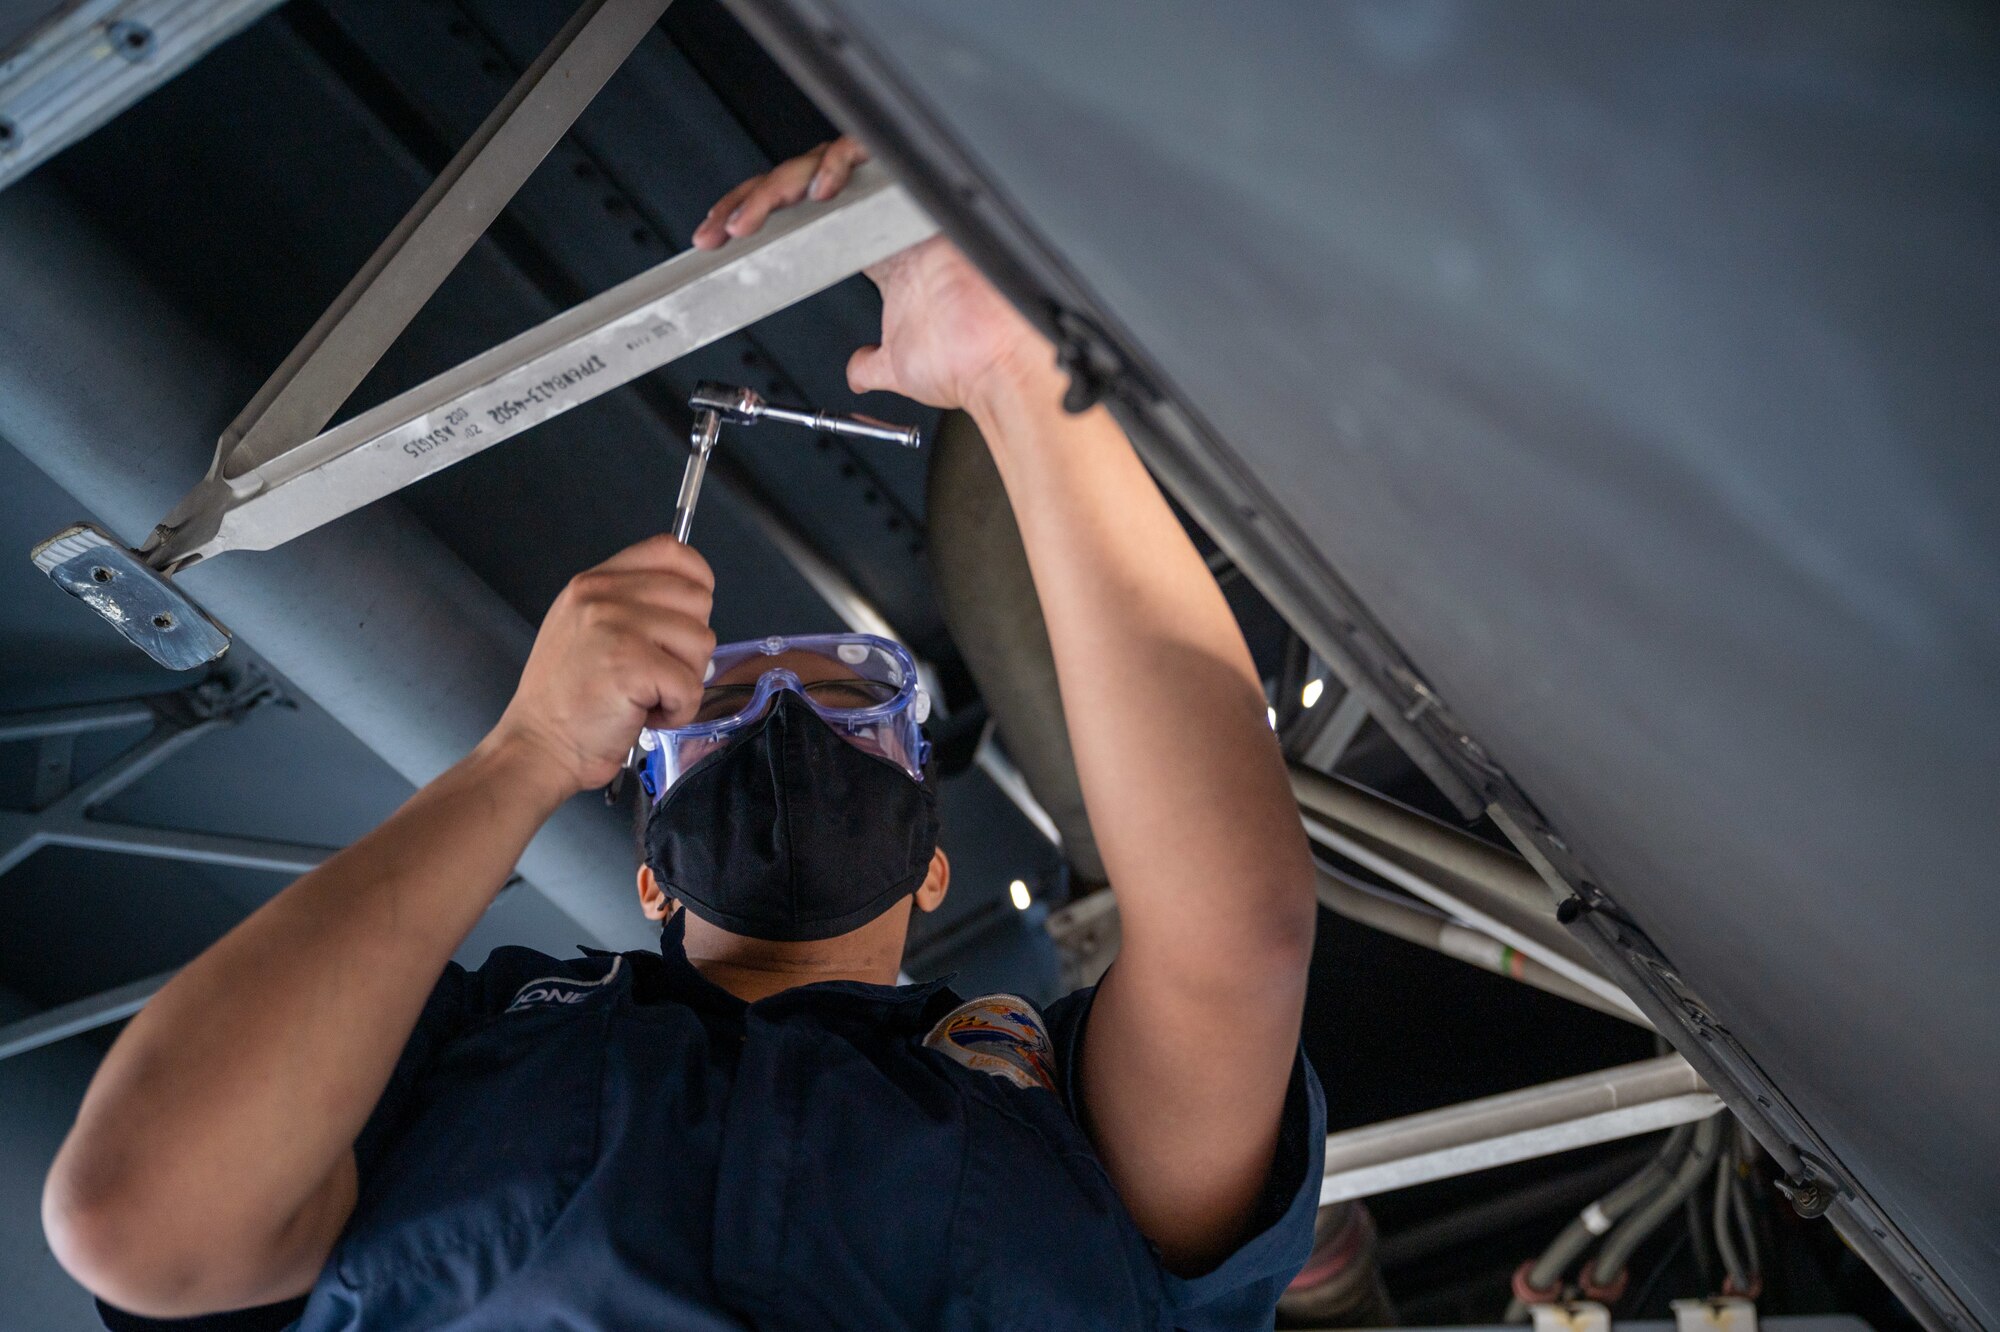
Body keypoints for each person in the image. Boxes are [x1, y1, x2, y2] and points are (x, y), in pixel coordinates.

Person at [44, 136, 1324, 1331]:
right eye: (721, 705)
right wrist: (525, 753)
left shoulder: (1065, 1105)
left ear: (935, 861)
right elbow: (136, 1214)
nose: (778, 709)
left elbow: (1236, 937)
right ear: (649, 869)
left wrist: (1009, 368)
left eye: (841, 696)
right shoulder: (464, 1048)